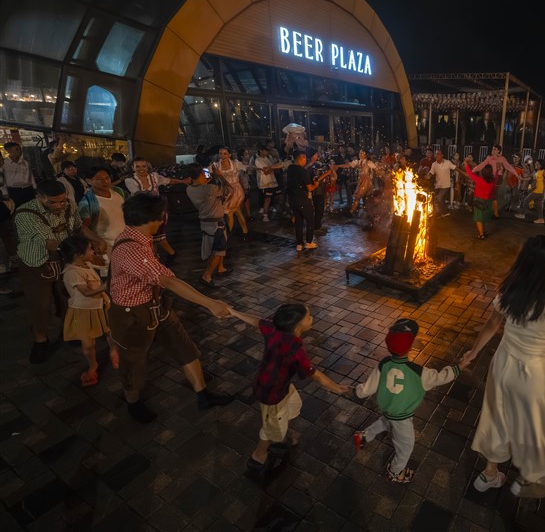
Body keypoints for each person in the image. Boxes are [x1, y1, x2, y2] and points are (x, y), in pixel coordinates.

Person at [461, 235, 545, 499]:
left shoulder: (508, 294)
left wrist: (474, 352)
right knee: (540, 424)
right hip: (534, 374)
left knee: (497, 416)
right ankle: (530, 477)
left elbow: (493, 325)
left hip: (503, 366)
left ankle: (489, 474)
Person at [108, 192, 234, 423]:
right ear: (158, 218)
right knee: (133, 362)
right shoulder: (132, 248)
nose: (166, 217)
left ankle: (203, 395)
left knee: (184, 347)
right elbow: (168, 281)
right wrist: (210, 304)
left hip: (156, 305)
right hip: (132, 315)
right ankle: (133, 403)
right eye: (163, 214)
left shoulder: (140, 236)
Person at [228, 303, 349, 477]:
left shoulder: (275, 328)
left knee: (293, 405)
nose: (312, 318)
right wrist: (338, 388)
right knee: (270, 429)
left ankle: (280, 436)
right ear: (297, 326)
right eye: (308, 317)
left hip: (274, 382)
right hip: (271, 393)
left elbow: (257, 321)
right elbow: (314, 374)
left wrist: (234, 312)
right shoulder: (294, 348)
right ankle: (258, 456)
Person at [353, 318, 466, 483]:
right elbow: (442, 377)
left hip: (388, 409)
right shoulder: (418, 372)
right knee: (405, 446)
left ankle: (363, 437)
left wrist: (356, 391)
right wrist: (459, 367)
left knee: (385, 421)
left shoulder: (383, 364)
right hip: (402, 416)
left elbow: (367, 389)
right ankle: (394, 473)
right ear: (410, 347)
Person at [14, 180, 106, 363]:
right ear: (40, 197)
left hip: (67, 257)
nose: (59, 206)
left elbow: (79, 227)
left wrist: (97, 240)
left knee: (68, 297)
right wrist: (84, 252)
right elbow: (49, 242)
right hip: (38, 261)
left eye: (62, 201)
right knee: (40, 304)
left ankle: (70, 331)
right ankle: (40, 339)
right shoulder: (25, 213)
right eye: (53, 202)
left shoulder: (69, 205)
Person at [59, 235, 116, 386]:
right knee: (88, 344)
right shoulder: (72, 272)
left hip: (101, 305)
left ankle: (113, 351)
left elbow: (104, 265)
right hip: (83, 311)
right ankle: (93, 365)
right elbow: (86, 292)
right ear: (78, 255)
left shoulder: (85, 264)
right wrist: (104, 286)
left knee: (110, 330)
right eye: (90, 249)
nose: (92, 252)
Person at [124, 157, 189, 262]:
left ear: (147, 167)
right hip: (143, 213)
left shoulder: (154, 176)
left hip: (158, 212)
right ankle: (160, 257)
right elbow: (138, 194)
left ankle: (158, 257)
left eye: (144, 166)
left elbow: (168, 181)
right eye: (138, 166)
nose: (141, 169)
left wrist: (182, 181)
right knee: (153, 237)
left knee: (156, 236)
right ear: (133, 168)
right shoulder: (130, 181)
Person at [186, 163, 229, 287]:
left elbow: (203, 189)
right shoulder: (209, 188)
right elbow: (228, 188)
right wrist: (219, 175)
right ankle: (207, 276)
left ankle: (214, 271)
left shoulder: (189, 189)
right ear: (200, 174)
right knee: (219, 251)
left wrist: (207, 180)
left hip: (206, 223)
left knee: (213, 250)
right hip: (216, 225)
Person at [286, 149, 331, 252]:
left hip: (292, 199)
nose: (306, 160)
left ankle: (299, 244)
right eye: (305, 158)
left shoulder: (290, 168)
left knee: (298, 221)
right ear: (301, 159)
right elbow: (309, 188)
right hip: (302, 199)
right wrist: (315, 185)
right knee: (310, 219)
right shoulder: (303, 171)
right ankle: (309, 242)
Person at [78, 166, 127, 258]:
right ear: (89, 181)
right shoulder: (87, 202)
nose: (105, 181)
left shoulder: (118, 192)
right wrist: (98, 241)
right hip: (107, 247)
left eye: (107, 178)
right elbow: (83, 228)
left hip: (125, 241)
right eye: (99, 179)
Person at [211, 146, 249, 238]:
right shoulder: (216, 165)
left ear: (229, 155)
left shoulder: (235, 163)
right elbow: (206, 172)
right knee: (237, 211)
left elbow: (247, 167)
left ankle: (227, 237)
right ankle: (245, 232)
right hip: (225, 191)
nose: (222, 156)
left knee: (230, 213)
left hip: (235, 191)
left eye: (225, 154)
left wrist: (263, 168)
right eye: (220, 153)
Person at [462, 163, 495, 239]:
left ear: (483, 172)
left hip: (479, 201)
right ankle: (484, 231)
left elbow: (470, 174)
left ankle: (481, 235)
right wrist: (498, 171)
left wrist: (467, 165)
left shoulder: (479, 180)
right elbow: (496, 176)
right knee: (484, 217)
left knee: (478, 218)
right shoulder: (493, 181)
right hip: (488, 201)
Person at [253, 144, 283, 222]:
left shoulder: (267, 158)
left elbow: (271, 167)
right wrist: (274, 167)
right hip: (265, 183)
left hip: (272, 181)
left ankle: (274, 209)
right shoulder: (258, 160)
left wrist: (275, 166)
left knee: (277, 196)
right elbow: (265, 172)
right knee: (267, 199)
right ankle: (265, 215)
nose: (267, 152)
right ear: (261, 151)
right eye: (265, 151)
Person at [4, 142, 37, 207]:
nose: (20, 151)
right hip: (14, 191)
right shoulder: (4, 164)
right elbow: (3, 180)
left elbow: (31, 176)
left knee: (32, 207)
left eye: (20, 149)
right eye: (17, 149)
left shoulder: (25, 162)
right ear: (9, 150)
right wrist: (5, 193)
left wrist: (35, 188)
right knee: (19, 209)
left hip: (28, 189)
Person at [429, 149, 456, 216]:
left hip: (446, 185)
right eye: (436, 154)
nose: (436, 155)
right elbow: (431, 173)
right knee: (438, 199)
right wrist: (427, 176)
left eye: (438, 154)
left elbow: (455, 168)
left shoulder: (447, 162)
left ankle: (446, 212)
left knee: (439, 198)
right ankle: (440, 211)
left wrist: (464, 173)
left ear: (442, 155)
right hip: (438, 185)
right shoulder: (434, 164)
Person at [520, 159, 545, 224]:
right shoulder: (536, 172)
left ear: (541, 165)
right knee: (539, 204)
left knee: (526, 200)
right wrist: (522, 178)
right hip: (538, 190)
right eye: (536, 163)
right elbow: (530, 178)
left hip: (538, 190)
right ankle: (541, 219)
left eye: (538, 164)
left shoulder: (542, 171)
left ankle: (522, 214)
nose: (536, 165)